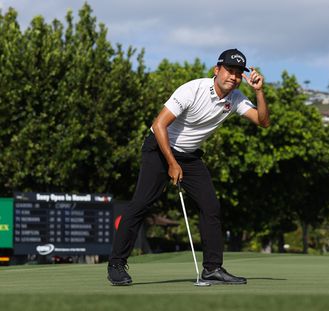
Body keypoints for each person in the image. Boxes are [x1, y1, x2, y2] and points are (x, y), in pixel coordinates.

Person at [107, 48, 270, 286]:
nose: (233, 77)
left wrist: (259, 92)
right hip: (159, 148)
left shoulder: (235, 99)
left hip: (190, 156)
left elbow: (263, 122)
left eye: (237, 73)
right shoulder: (192, 90)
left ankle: (212, 268)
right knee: (141, 203)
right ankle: (116, 265)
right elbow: (159, 125)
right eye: (229, 71)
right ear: (217, 70)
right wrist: (171, 163)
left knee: (211, 207)